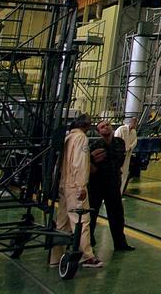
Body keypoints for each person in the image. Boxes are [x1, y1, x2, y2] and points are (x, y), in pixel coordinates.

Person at [51, 115, 101, 269]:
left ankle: (55, 258)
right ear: (87, 125)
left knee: (62, 223)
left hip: (63, 184)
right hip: (74, 186)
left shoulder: (67, 138)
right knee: (81, 220)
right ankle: (86, 257)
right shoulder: (81, 138)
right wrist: (81, 186)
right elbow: (79, 164)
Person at [87, 119, 134, 252]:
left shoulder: (120, 142)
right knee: (92, 214)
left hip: (113, 184)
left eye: (107, 125)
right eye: (102, 127)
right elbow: (91, 165)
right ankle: (88, 241)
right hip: (97, 185)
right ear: (99, 131)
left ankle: (120, 243)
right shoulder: (95, 145)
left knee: (117, 215)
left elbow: (120, 160)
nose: (105, 128)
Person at [114, 116, 138, 193]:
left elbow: (135, 141)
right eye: (134, 122)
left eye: (136, 123)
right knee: (116, 173)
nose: (135, 124)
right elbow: (116, 141)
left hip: (127, 155)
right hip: (119, 155)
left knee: (124, 174)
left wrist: (130, 147)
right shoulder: (121, 129)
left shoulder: (134, 132)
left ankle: (119, 193)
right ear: (130, 122)